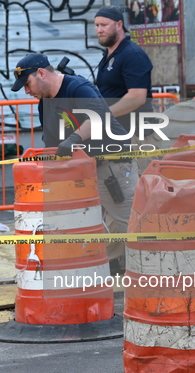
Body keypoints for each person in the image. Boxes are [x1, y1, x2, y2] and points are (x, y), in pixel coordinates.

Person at [11, 53, 139, 274]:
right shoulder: (45, 104)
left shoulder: (77, 87)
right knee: (100, 226)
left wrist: (74, 139)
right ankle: (110, 269)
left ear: (41, 73)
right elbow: (52, 143)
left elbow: (100, 116)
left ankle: (149, 275)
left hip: (113, 167)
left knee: (129, 222)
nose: (27, 91)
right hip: (85, 171)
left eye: (28, 84)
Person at [94, 5, 157, 175]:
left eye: (104, 25)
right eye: (97, 25)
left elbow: (137, 97)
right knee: (121, 194)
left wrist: (103, 115)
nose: (99, 30)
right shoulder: (108, 56)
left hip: (137, 136)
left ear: (119, 25)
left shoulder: (132, 54)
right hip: (117, 136)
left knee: (145, 192)